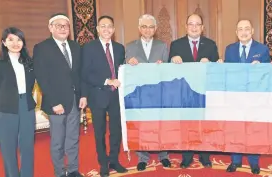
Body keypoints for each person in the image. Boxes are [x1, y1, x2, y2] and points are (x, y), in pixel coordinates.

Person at [33, 13, 87, 177]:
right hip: (55, 103)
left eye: (66, 26)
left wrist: (83, 95)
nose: (63, 29)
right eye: (59, 25)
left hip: (75, 101)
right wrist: (54, 102)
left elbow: (80, 74)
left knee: (73, 138)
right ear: (51, 28)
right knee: (58, 141)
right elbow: (42, 77)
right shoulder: (42, 48)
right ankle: (59, 172)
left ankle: (72, 169)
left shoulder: (76, 46)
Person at [169, 14, 219, 168]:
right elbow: (167, 70)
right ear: (186, 26)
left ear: (202, 28)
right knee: (187, 125)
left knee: (204, 125)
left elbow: (217, 68)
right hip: (185, 93)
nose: (194, 27)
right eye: (191, 24)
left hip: (204, 93)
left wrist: (210, 63)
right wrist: (172, 61)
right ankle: (187, 155)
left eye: (198, 24)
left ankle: (205, 156)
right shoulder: (176, 45)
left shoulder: (211, 44)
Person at [221, 19, 270, 175]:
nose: (243, 32)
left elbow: (268, 73)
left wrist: (262, 68)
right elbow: (226, 73)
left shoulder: (262, 49)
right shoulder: (229, 49)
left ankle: (254, 162)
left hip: (254, 97)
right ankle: (235, 161)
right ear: (236, 32)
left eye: (247, 29)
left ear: (252, 31)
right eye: (240, 29)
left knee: (253, 129)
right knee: (235, 129)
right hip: (235, 97)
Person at [81, 15, 128, 177]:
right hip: (98, 96)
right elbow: (85, 74)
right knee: (99, 132)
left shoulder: (120, 48)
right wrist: (107, 81)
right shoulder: (89, 47)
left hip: (116, 97)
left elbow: (123, 70)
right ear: (97, 29)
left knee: (116, 131)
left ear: (114, 30)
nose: (106, 29)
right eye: (103, 26)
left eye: (109, 26)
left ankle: (114, 159)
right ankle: (103, 164)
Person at [124, 14, 172, 171]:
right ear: (139, 29)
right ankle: (142, 157)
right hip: (139, 94)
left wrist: (163, 65)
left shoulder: (162, 46)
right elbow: (124, 70)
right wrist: (128, 63)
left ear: (155, 29)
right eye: (144, 26)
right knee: (142, 125)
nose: (147, 30)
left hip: (158, 93)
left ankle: (163, 155)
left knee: (160, 124)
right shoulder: (130, 47)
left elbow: (168, 70)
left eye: (151, 26)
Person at [0, 27, 36, 177]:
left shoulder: (29, 62)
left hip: (26, 106)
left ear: (23, 42)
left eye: (19, 39)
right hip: (5, 109)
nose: (15, 43)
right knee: (8, 148)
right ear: (4, 42)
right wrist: (1, 103)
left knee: (27, 146)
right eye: (11, 39)